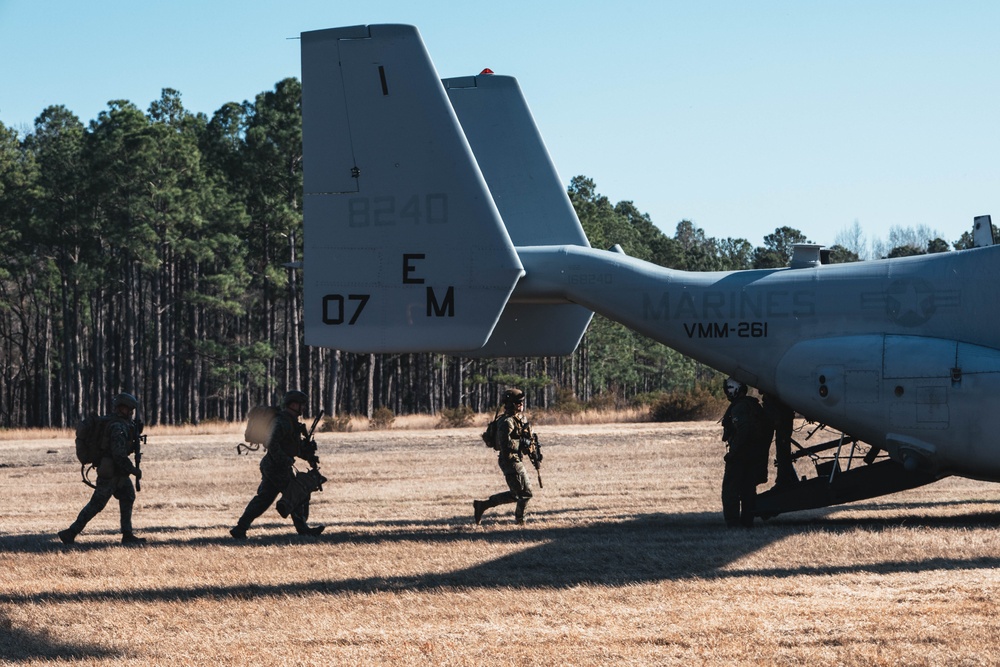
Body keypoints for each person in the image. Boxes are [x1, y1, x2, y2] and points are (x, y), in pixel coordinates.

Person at [230, 390, 324, 539]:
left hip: (274, 466)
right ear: (293, 405)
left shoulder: (291, 422)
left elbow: (293, 447)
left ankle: (240, 528)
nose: (303, 408)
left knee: (263, 499)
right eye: (301, 405)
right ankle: (303, 529)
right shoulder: (282, 422)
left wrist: (309, 456)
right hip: (276, 466)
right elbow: (271, 443)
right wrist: (284, 460)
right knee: (296, 493)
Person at [59, 392, 145, 545]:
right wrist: (133, 469)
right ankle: (70, 532)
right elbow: (118, 454)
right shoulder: (117, 427)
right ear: (122, 408)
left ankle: (127, 534)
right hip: (110, 472)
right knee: (96, 504)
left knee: (128, 496)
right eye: (129, 409)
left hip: (117, 472)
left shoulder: (120, 424)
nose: (131, 413)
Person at [473, 388, 534, 526]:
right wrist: (522, 442)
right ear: (511, 404)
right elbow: (505, 444)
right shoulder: (506, 422)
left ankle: (482, 506)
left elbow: (527, 436)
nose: (521, 405)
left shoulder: (520, 419)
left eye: (522, 402)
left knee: (516, 494)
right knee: (525, 493)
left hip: (516, 458)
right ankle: (520, 522)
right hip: (509, 460)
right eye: (518, 402)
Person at [720, 378, 770, 528]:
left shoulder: (740, 408)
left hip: (741, 455)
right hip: (753, 454)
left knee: (731, 489)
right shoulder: (752, 405)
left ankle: (733, 522)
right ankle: (748, 520)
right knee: (748, 489)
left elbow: (744, 431)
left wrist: (732, 453)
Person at [762, 393, 799, 488]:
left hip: (782, 413)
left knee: (782, 447)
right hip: (780, 412)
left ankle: (784, 479)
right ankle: (785, 478)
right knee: (782, 448)